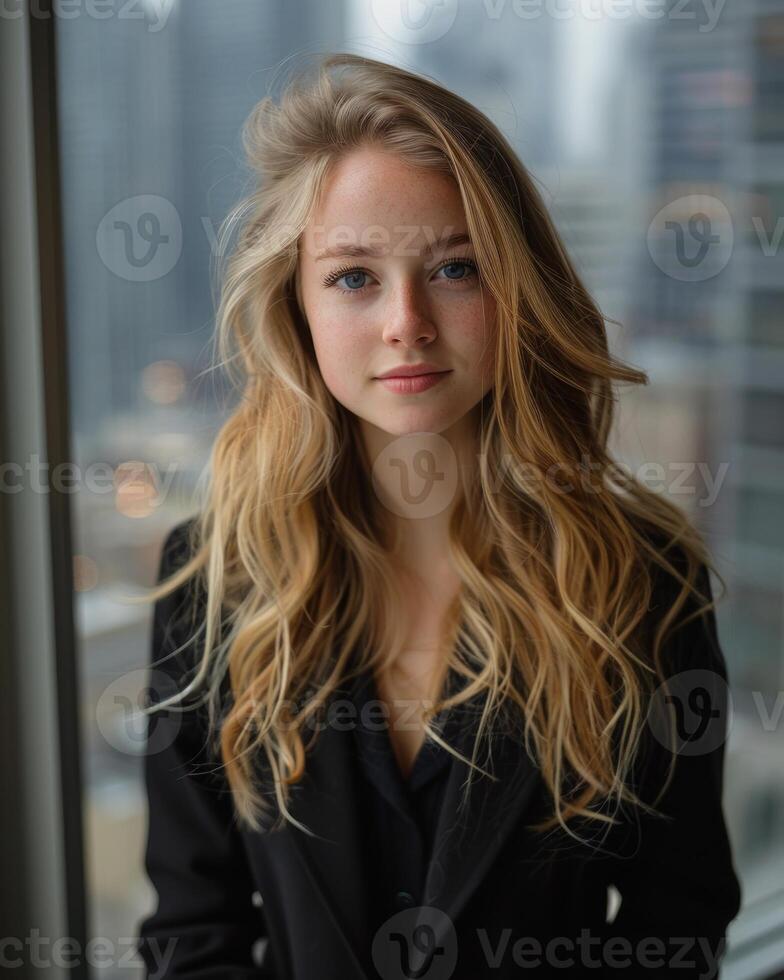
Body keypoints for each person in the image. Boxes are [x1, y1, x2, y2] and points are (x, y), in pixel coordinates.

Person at [135, 52, 742, 979]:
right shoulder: (212, 579)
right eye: (353, 278)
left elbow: (681, 916)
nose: (407, 322)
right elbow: (193, 932)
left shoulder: (645, 580)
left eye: (456, 267)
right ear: (294, 304)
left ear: (516, 288)